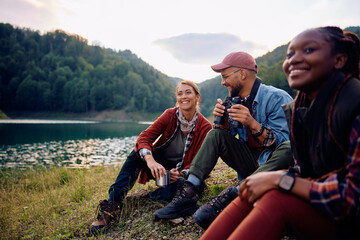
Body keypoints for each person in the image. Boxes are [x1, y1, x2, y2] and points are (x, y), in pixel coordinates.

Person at [200, 26, 360, 240]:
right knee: (253, 189)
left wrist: (282, 180)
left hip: (348, 217)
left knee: (275, 199)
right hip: (321, 203)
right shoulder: (304, 104)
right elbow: (307, 168)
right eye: (290, 54)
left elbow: (353, 198)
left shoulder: (354, 106)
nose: (294, 60)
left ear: (339, 60)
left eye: (309, 50)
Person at [154, 51, 294, 227]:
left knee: (289, 147)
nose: (222, 82)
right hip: (251, 165)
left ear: (242, 74)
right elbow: (229, 139)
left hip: (273, 169)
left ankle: (233, 196)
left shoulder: (277, 98)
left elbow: (286, 145)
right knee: (215, 134)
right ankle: (188, 193)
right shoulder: (236, 101)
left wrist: (252, 124)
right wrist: (223, 125)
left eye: (225, 76)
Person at [90, 80, 212, 234]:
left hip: (177, 175)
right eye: (180, 93)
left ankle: (145, 197)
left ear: (197, 97)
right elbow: (144, 138)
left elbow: (201, 162)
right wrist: (150, 160)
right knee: (137, 154)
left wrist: (180, 173)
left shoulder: (205, 127)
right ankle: (113, 204)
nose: (184, 96)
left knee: (186, 187)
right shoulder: (170, 115)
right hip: (157, 169)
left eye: (188, 92)